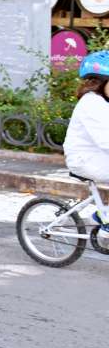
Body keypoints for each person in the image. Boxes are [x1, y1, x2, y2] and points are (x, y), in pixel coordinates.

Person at [64, 52, 109, 226]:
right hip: (87, 160)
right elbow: (105, 140)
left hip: (100, 157)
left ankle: (104, 214)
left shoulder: (103, 103)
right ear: (101, 82)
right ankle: (105, 219)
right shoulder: (91, 103)